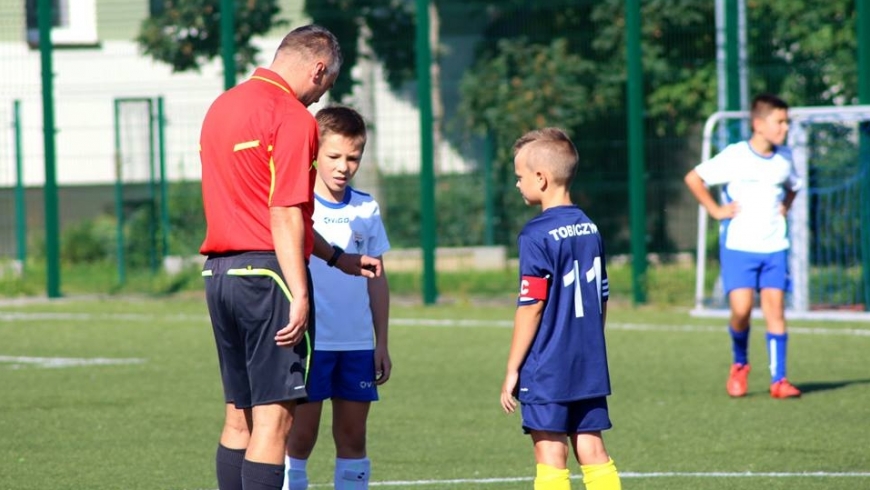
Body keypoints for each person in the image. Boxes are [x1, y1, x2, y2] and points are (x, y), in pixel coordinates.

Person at [199, 25, 381, 490]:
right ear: (319, 69)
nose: (320, 99)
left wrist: (336, 258)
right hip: (269, 278)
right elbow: (283, 212)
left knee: (238, 417)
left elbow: (261, 204)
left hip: (220, 274)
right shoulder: (292, 116)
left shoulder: (222, 107)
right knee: (273, 423)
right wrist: (301, 291)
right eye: (327, 85)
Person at [500, 128, 621, 490]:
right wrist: (589, 343)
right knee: (592, 446)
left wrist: (512, 368)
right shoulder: (590, 227)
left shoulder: (535, 235)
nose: (518, 184)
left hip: (548, 365)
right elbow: (602, 296)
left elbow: (531, 306)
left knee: (551, 454)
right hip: (588, 360)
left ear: (542, 177)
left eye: (520, 177)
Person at [283, 106, 391, 490]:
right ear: (314, 153)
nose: (343, 166)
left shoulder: (366, 207)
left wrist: (382, 342)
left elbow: (377, 278)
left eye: (353, 157)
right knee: (300, 437)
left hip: (357, 344)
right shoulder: (297, 211)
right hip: (312, 342)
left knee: (352, 438)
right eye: (333, 156)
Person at [684, 93, 802, 399]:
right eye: (780, 121)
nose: (785, 127)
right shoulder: (736, 155)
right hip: (739, 247)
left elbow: (795, 186)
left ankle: (779, 379)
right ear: (758, 124)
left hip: (775, 246)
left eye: (787, 121)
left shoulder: (785, 158)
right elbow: (694, 178)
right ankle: (740, 363)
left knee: (775, 309)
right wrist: (716, 211)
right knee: (742, 310)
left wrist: (786, 206)